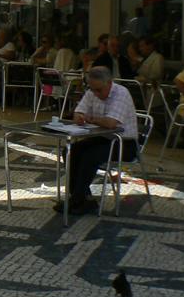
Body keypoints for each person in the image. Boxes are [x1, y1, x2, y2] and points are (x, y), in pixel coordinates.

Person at [59, 67, 138, 215]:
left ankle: (78, 199)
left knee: (90, 156)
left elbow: (111, 123)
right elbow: (78, 113)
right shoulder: (92, 92)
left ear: (109, 83)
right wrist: (79, 117)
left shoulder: (121, 93)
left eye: (99, 90)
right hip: (103, 138)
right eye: (93, 90)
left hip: (124, 143)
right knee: (71, 150)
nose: (96, 94)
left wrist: (89, 118)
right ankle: (81, 197)